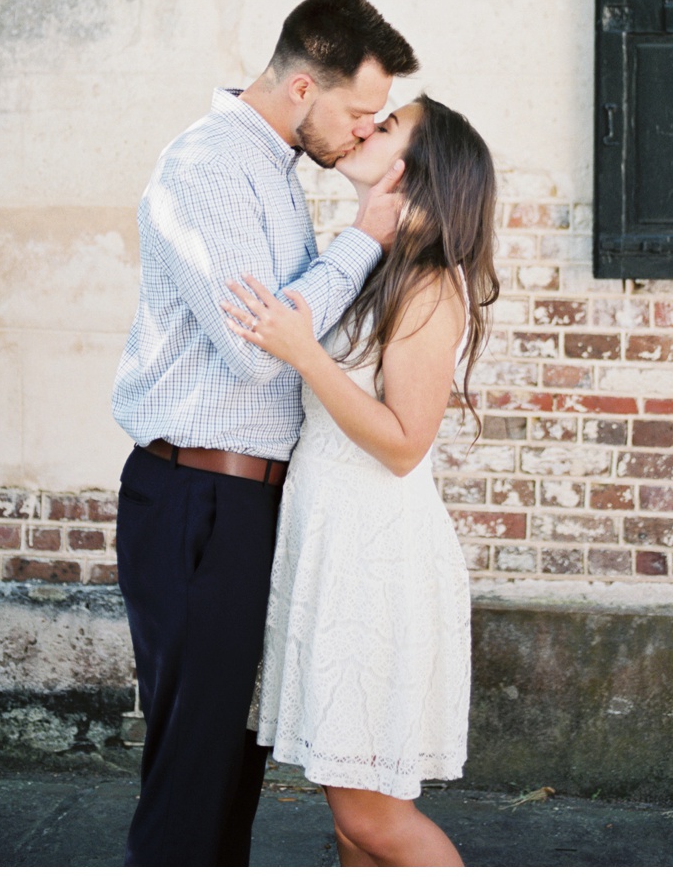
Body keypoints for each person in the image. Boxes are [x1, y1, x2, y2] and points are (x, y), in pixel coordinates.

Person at [110, 0, 416, 866]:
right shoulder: (206, 166)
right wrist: (362, 243)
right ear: (300, 87)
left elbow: (294, 329)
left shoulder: (274, 173)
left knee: (231, 772)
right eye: (357, 113)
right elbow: (258, 349)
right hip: (195, 497)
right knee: (192, 774)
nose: (362, 134)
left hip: (241, 505)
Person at [227, 95, 497, 867]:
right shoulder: (378, 267)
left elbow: (406, 444)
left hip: (377, 559)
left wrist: (304, 351)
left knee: (376, 819)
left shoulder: (429, 287)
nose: (365, 129)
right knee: (351, 822)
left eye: (387, 127)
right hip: (336, 545)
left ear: (420, 168)